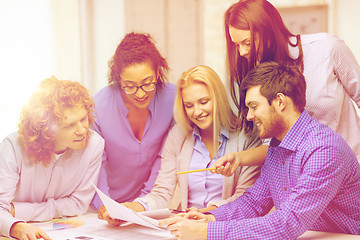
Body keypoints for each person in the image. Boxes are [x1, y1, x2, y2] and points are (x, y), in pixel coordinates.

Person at [160, 62, 360, 239]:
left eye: (254, 106)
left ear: (280, 102)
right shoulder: (276, 146)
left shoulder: (324, 150)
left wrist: (204, 233)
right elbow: (254, 202)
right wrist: (209, 218)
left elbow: (286, 224)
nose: (248, 116)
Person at [99, 65, 261, 223]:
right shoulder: (178, 136)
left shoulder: (247, 136)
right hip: (186, 227)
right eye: (189, 105)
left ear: (218, 98)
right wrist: (132, 207)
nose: (197, 112)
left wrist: (202, 214)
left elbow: (244, 198)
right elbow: (162, 192)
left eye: (203, 102)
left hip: (224, 226)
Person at [214, 0, 360, 173]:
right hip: (303, 177)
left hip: (349, 170)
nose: (242, 52)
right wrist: (239, 158)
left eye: (247, 42)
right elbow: (275, 147)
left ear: (268, 31)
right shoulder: (260, 76)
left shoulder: (327, 48)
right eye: (237, 45)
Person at [0, 77, 104, 240]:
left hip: (65, 231)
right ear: (46, 129)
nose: (82, 130)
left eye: (83, 119)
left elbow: (78, 204)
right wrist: (17, 227)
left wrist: (18, 210)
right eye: (69, 125)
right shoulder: (13, 147)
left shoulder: (94, 145)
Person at [91, 33, 176, 218]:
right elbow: (96, 165)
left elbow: (164, 158)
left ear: (157, 72)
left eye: (147, 83)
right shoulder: (98, 107)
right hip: (103, 206)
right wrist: (107, 207)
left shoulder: (173, 99)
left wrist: (143, 204)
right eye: (129, 86)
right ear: (118, 79)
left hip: (147, 206)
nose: (140, 94)